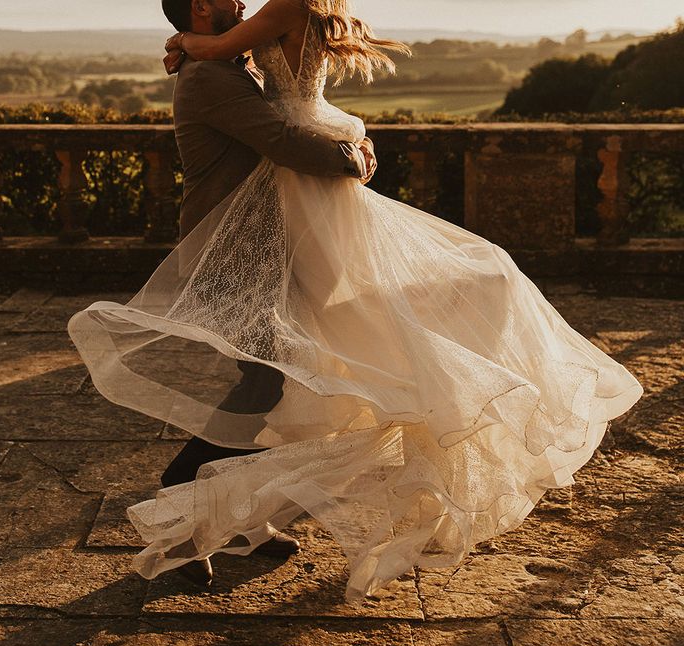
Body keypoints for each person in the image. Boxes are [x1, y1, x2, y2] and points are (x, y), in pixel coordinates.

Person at [69, 0, 643, 603]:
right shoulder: (211, 76)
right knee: (265, 384)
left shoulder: (223, 61)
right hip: (234, 252)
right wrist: (349, 153)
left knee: (292, 382)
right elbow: (281, 140)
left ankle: (241, 516)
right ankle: (184, 501)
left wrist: (189, 42)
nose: (240, 1)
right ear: (201, 5)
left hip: (273, 245)